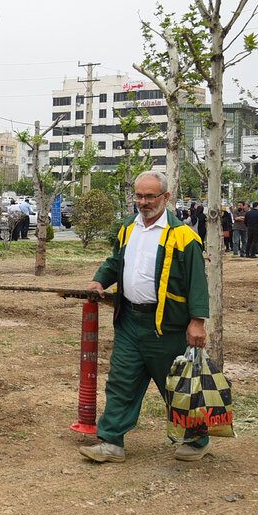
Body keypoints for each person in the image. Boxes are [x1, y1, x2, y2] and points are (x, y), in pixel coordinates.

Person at [80, 170, 211, 464]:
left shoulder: (183, 237)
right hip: (129, 321)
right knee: (121, 381)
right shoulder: (128, 228)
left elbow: (197, 282)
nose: (143, 202)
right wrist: (100, 280)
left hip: (166, 326)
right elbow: (117, 261)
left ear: (165, 197)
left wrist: (197, 321)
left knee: (176, 385)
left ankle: (196, 438)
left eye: (150, 196)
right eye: (139, 196)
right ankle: (111, 441)